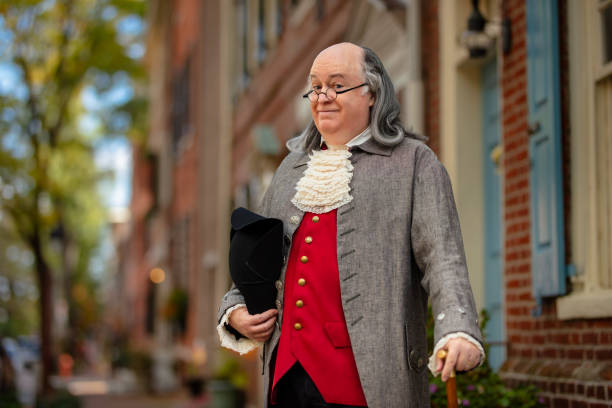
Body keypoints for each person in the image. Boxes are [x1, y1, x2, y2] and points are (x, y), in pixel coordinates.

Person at [217, 42, 484, 408]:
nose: (323, 96)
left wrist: (457, 328)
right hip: (288, 379)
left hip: (372, 381)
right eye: (315, 86)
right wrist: (235, 312)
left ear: (372, 93)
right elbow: (255, 259)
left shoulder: (413, 162)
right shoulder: (288, 171)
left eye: (337, 85)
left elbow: (442, 257)